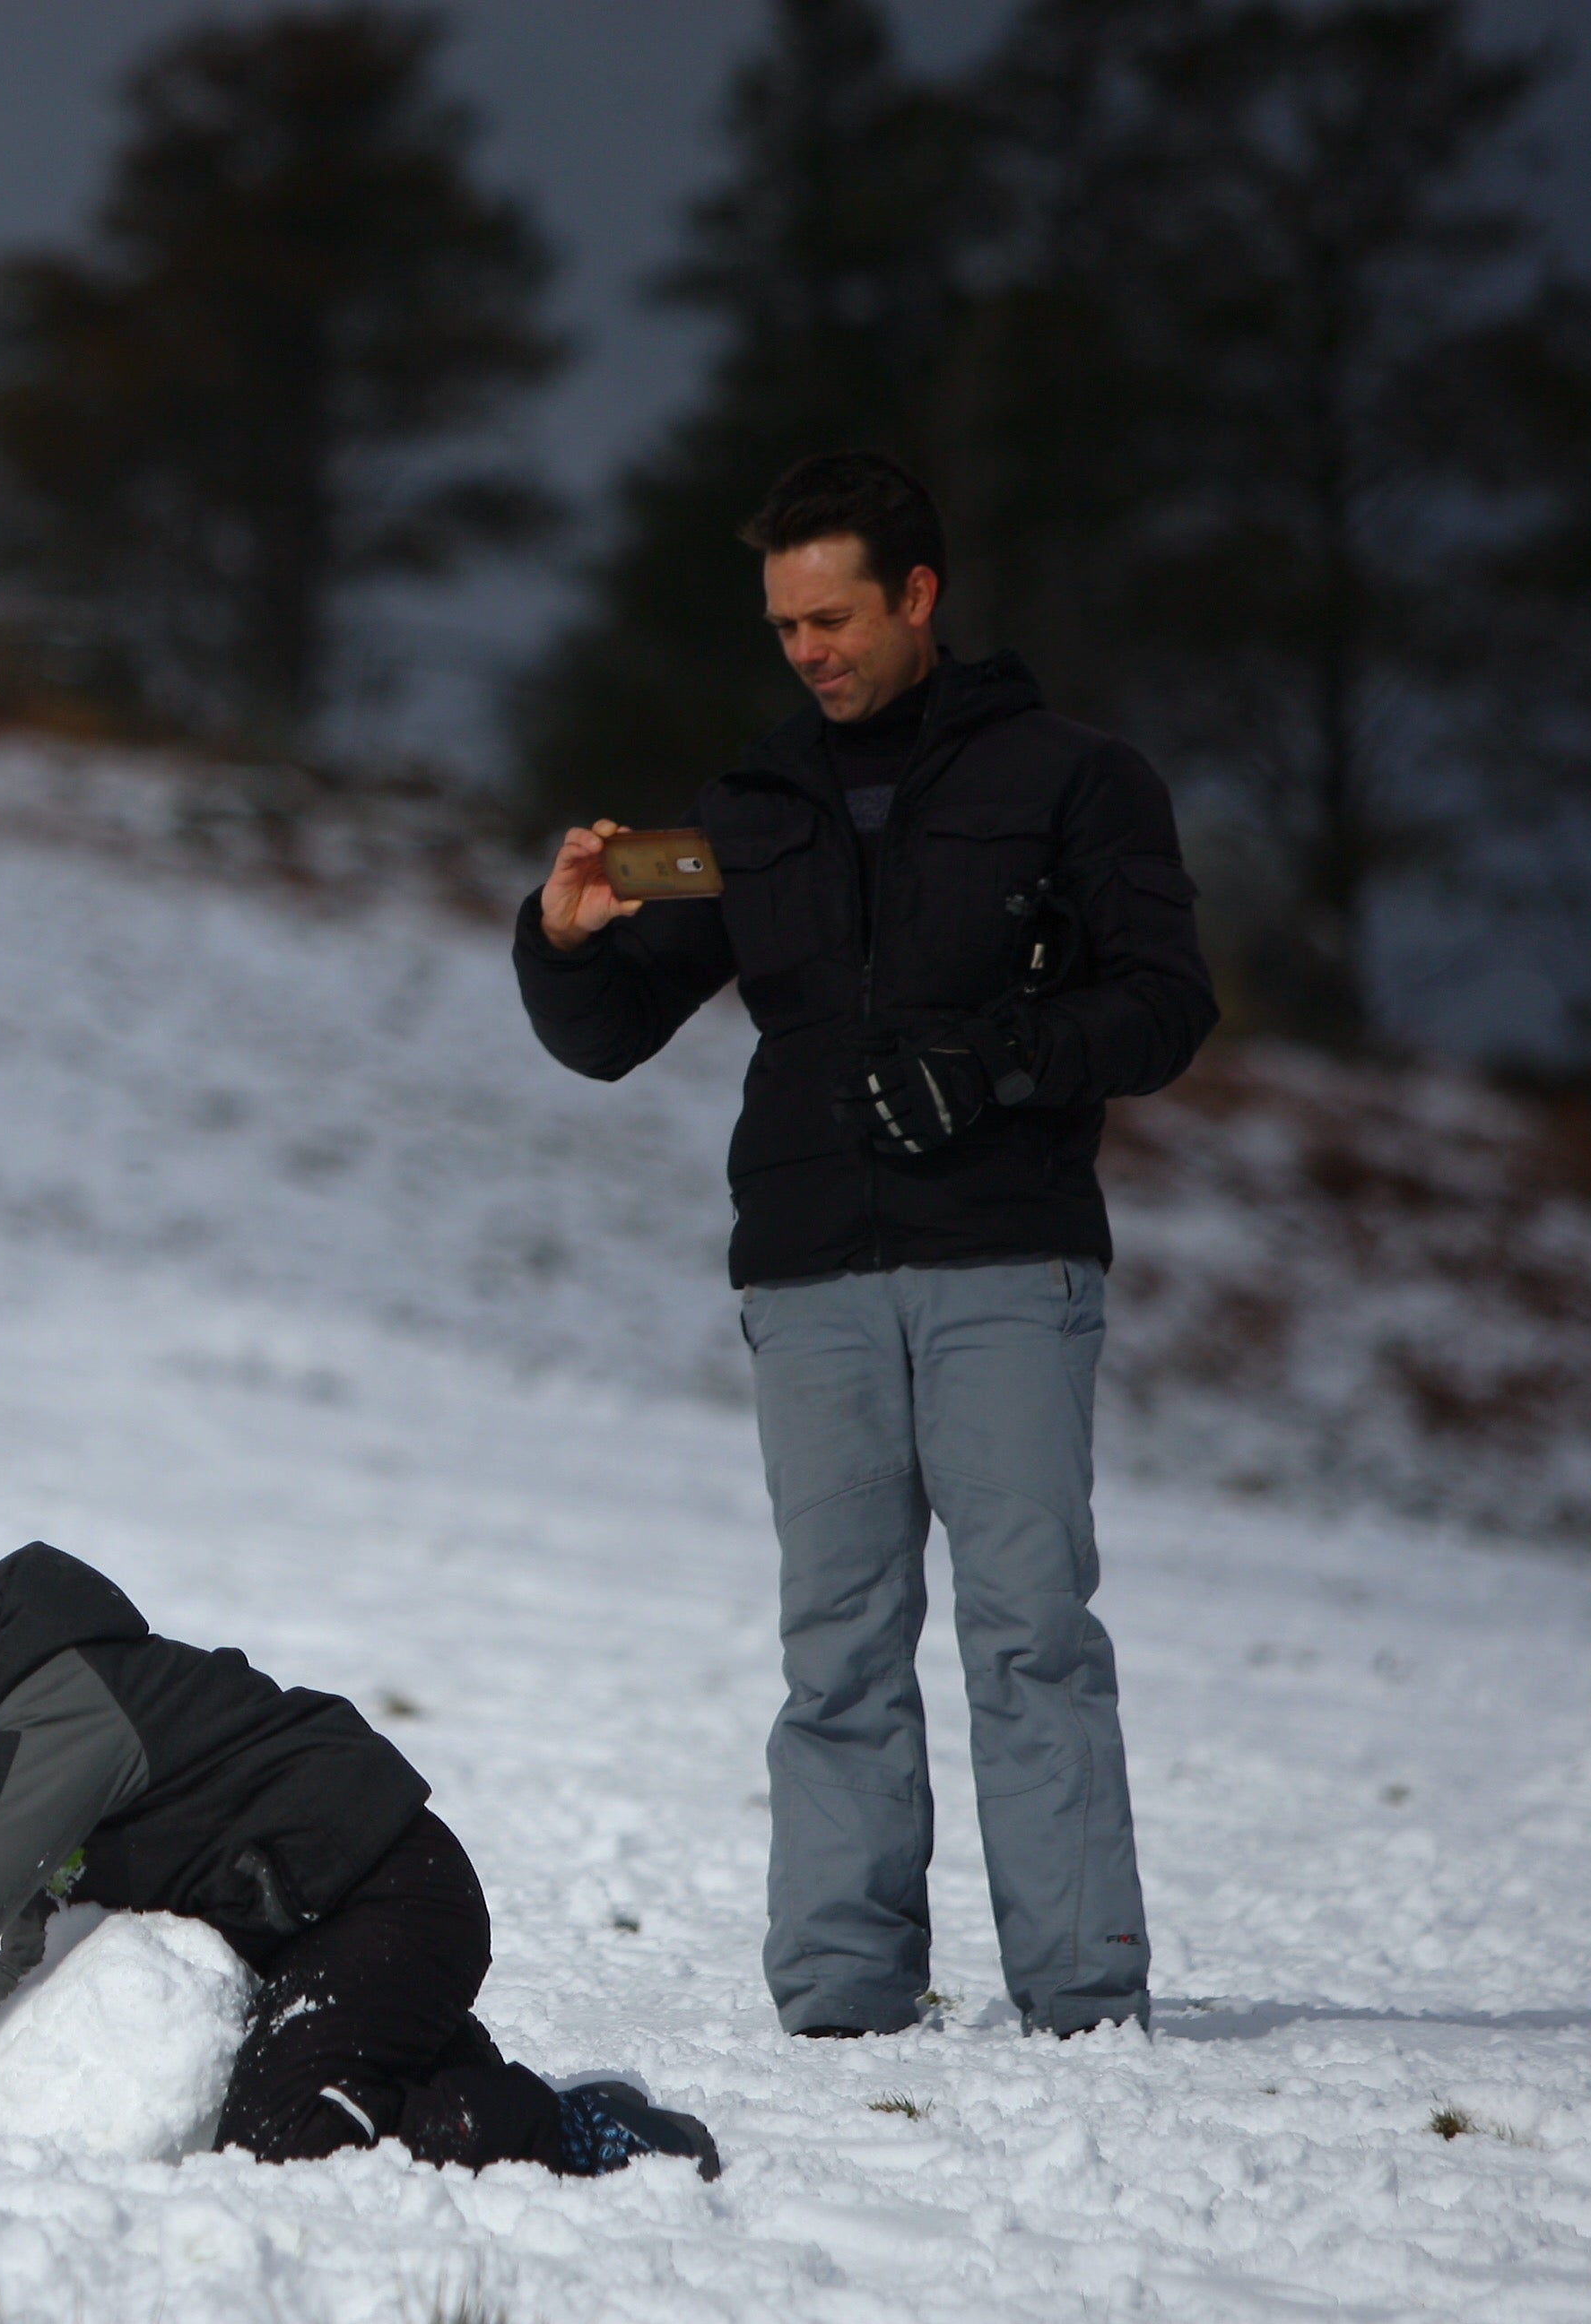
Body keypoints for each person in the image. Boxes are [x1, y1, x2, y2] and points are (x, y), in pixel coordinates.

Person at [513, 453, 1215, 2041]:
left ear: (916, 597)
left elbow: (1165, 1004)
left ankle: (1082, 1995)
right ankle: (839, 1993)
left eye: (831, 616)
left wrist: (997, 1059)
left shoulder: (1072, 778)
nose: (807, 650)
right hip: (807, 1271)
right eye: (780, 626)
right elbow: (610, 1033)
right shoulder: (753, 808)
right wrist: (554, 936)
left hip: (1005, 1261)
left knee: (1027, 1629)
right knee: (834, 1643)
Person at [0, 1507, 718, 2179]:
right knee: (314, 2096)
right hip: (320, 1931)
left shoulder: (55, 1718)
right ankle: (458, 2085)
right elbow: (34, 1972)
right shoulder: (16, 1739)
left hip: (390, 1901)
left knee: (285, 2142)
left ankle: (579, 2130)